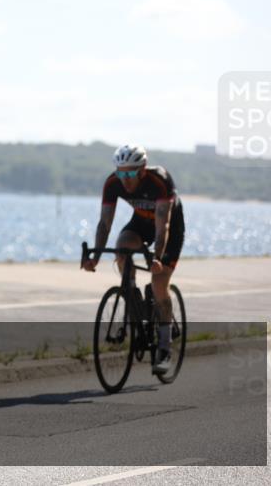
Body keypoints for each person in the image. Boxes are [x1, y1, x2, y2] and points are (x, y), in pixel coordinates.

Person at [81, 144, 185, 375]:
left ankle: (165, 348)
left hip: (168, 228)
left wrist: (157, 258)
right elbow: (104, 223)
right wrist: (96, 257)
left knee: (159, 283)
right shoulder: (113, 183)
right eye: (121, 173)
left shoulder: (159, 181)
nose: (125, 179)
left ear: (142, 170)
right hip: (141, 223)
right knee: (122, 248)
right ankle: (132, 295)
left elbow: (163, 226)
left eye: (130, 173)